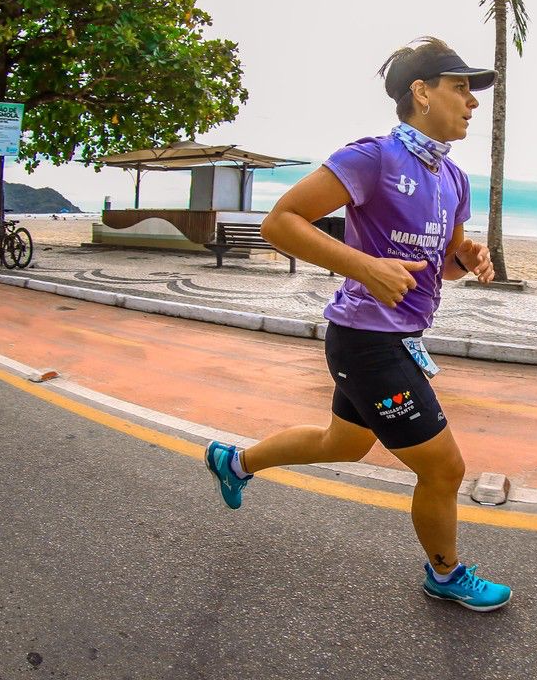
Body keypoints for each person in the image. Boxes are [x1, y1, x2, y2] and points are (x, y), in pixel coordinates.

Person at [204, 37, 511, 612]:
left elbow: (439, 264)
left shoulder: (454, 179)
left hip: (396, 339)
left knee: (339, 442)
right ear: (421, 93)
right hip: (367, 342)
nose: (473, 102)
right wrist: (364, 267)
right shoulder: (372, 158)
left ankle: (235, 462)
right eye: (460, 87)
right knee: (445, 469)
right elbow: (281, 221)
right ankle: (445, 576)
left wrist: (467, 261)